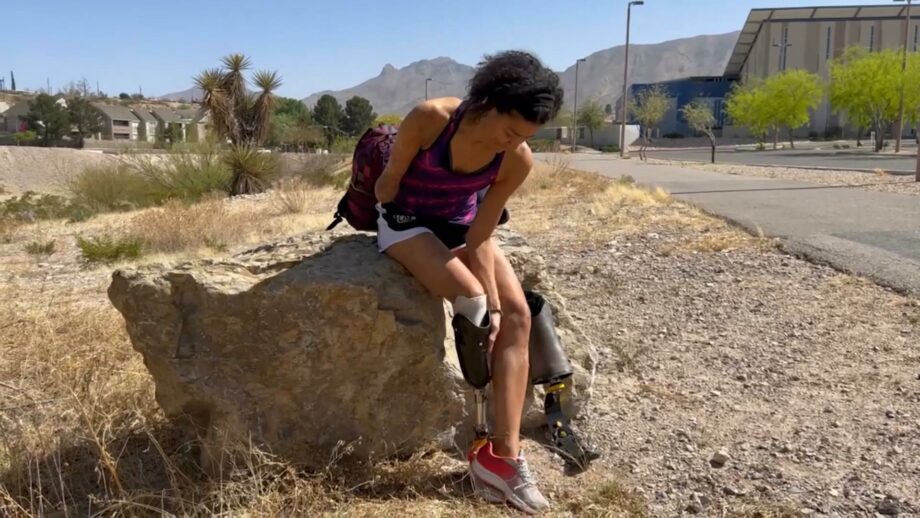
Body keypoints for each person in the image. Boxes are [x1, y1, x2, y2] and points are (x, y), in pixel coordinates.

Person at [372, 51, 563, 514]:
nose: (512, 143)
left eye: (524, 137)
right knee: (470, 301)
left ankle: (504, 457)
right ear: (488, 103)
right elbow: (387, 186)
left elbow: (480, 234)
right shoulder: (430, 119)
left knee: (514, 314)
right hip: (406, 221)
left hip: (461, 228)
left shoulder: (516, 160)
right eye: (509, 130)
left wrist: (497, 308)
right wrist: (481, 300)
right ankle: (476, 435)